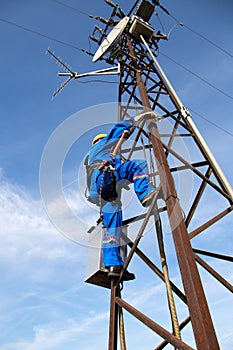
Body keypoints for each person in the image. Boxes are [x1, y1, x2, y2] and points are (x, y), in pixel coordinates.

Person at [85, 111, 158, 280]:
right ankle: (145, 193)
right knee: (138, 166)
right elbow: (118, 130)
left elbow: (118, 177)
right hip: (105, 178)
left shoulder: (95, 157)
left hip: (103, 192)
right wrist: (140, 117)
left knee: (112, 229)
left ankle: (114, 266)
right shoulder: (101, 146)